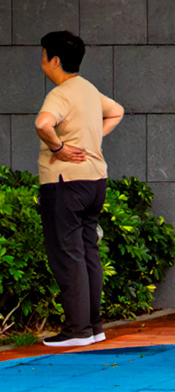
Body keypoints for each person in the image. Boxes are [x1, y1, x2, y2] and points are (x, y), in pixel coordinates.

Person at [35, 30, 123, 349]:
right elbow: (117, 111)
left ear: (55, 60)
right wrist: (91, 140)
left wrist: (58, 147)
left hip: (65, 183)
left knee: (67, 254)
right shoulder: (88, 90)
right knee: (87, 252)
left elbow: (43, 124)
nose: (41, 60)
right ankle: (93, 326)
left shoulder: (59, 95)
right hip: (94, 181)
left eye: (44, 55)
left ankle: (77, 329)